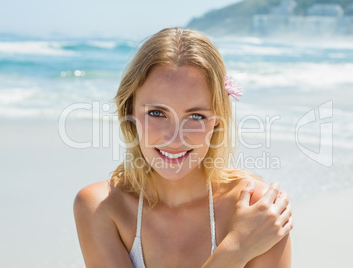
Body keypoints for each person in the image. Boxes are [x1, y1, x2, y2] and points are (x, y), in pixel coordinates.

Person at [74, 27, 293, 267]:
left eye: (196, 116)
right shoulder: (101, 207)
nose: (175, 138)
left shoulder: (258, 209)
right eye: (157, 113)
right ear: (130, 113)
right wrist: (236, 249)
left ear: (216, 122)